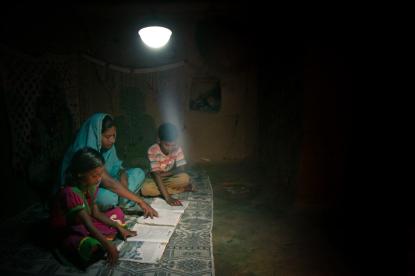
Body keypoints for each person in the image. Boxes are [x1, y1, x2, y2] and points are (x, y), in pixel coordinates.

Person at [57, 113, 157, 218]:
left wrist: (123, 176)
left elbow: (117, 167)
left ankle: (122, 198)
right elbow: (108, 182)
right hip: (92, 190)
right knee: (107, 197)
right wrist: (140, 201)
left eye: (114, 135)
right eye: (108, 137)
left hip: (111, 184)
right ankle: (122, 199)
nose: (112, 140)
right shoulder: (83, 152)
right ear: (96, 135)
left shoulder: (109, 148)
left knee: (138, 172)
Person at [49, 147, 137, 267]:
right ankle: (93, 242)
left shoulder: (88, 186)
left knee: (118, 212)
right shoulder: (70, 192)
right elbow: (87, 223)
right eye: (95, 175)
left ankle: (102, 236)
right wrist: (108, 245)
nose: (98, 179)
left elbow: (95, 213)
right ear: (80, 174)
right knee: (90, 246)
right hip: (69, 230)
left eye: (100, 175)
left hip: (85, 222)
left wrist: (118, 226)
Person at [141, 123, 194, 206]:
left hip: (167, 178)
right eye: (166, 145)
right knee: (145, 189)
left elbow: (181, 168)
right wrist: (168, 198)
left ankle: (165, 190)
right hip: (154, 179)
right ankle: (181, 189)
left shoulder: (177, 148)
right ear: (159, 140)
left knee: (185, 178)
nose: (170, 148)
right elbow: (156, 175)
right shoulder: (152, 150)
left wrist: (165, 174)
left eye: (173, 145)